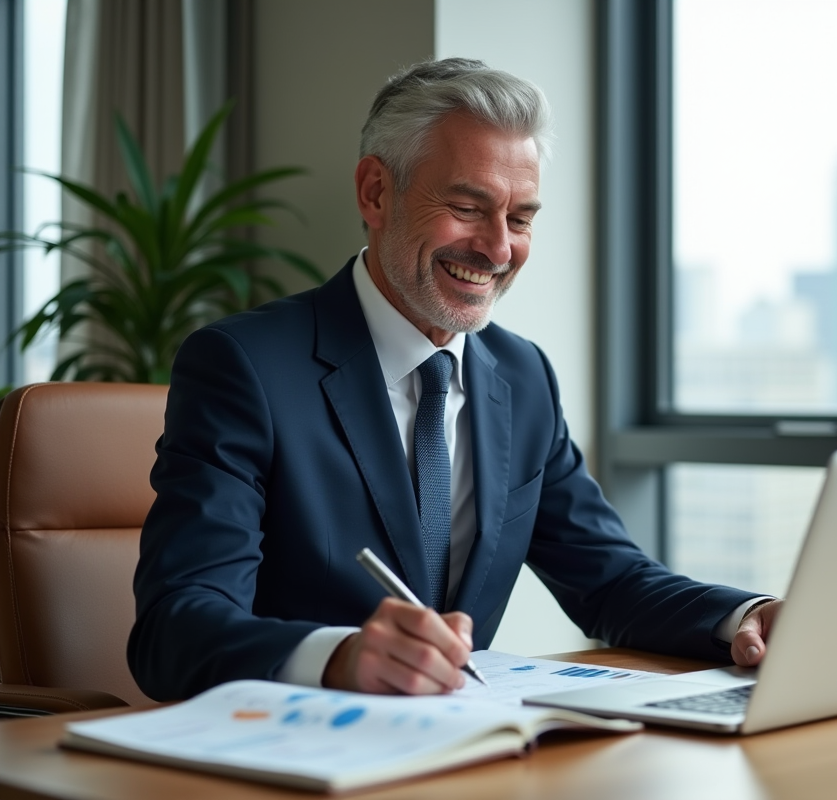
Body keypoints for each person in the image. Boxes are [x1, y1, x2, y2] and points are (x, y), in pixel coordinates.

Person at [128, 58, 780, 701]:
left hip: (466, 753)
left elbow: (612, 582)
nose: (498, 249)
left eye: (520, 219)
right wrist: (340, 657)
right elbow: (174, 629)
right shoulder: (244, 366)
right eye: (468, 207)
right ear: (375, 192)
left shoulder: (523, 377)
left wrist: (745, 617)